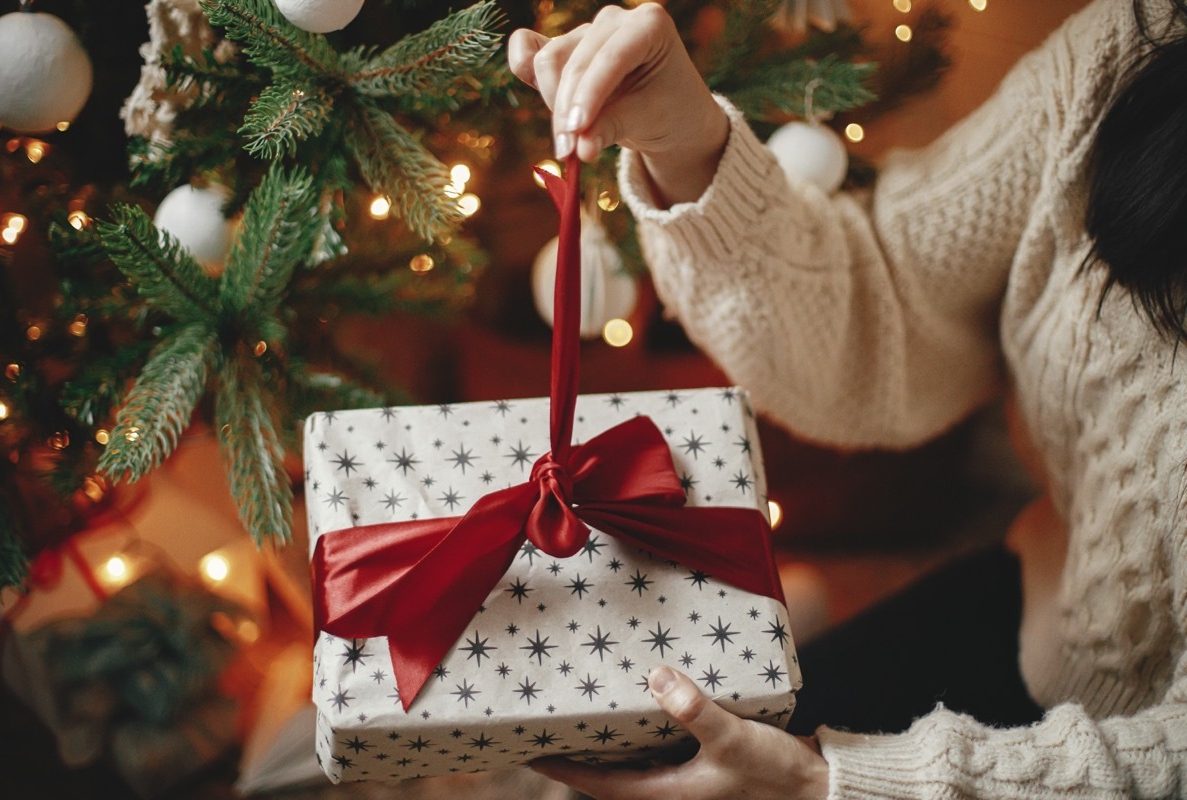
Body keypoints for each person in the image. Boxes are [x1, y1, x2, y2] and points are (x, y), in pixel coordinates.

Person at [507, 0, 1187, 797]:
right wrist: (687, 146)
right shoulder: (1135, 43)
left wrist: (825, 784)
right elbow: (885, 307)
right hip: (1049, 619)